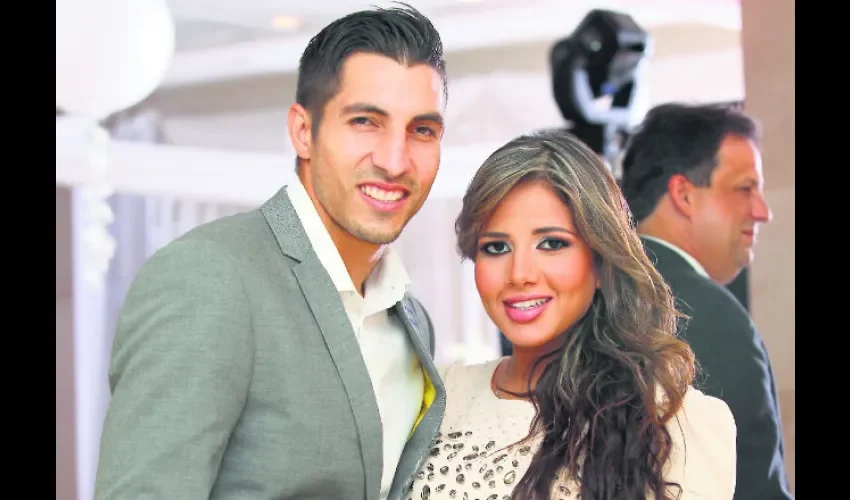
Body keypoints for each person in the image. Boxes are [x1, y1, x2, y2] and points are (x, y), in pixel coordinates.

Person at [94, 4, 448, 499]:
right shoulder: (210, 276)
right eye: (365, 121)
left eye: (422, 130)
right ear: (303, 131)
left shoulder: (411, 320)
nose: (394, 160)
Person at [404, 129, 736, 500]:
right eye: (496, 247)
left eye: (552, 243)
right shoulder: (438, 396)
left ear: (600, 261)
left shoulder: (673, 421)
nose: (520, 274)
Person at [619, 103, 792, 500]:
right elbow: (751, 490)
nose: (763, 211)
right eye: (745, 188)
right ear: (683, 194)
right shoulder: (705, 314)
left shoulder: (595, 291)